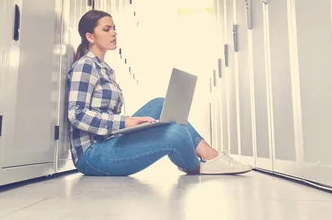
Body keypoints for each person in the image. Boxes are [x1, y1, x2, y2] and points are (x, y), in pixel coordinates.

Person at [67, 9, 253, 176]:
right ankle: (199, 166)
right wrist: (126, 121)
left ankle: (212, 157)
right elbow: (77, 115)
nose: (114, 33)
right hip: (92, 154)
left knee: (160, 103)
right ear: (90, 37)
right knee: (176, 134)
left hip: (109, 140)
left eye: (114, 28)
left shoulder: (104, 68)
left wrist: (129, 124)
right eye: (107, 29)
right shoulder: (85, 65)